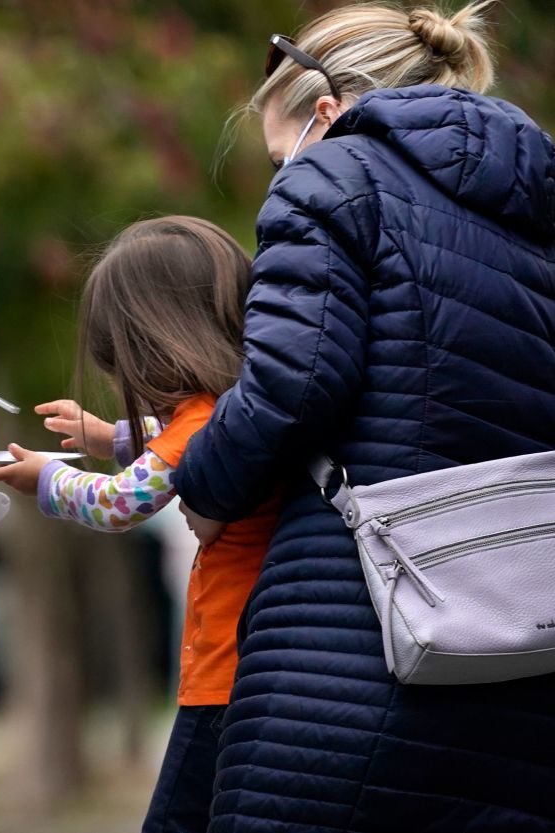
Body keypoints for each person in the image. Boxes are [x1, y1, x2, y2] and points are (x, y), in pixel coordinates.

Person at [174, 2, 555, 831]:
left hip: (352, 656)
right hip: (521, 671)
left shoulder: (334, 174)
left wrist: (200, 484)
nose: (282, 176)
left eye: (280, 158)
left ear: (323, 112)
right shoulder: (535, 215)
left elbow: (292, 384)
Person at [0, 216, 276, 833]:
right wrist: (107, 435)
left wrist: (47, 482)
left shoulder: (200, 422)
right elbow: (170, 449)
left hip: (224, 679)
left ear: (154, 344)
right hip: (246, 670)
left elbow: (121, 501)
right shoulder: (236, 408)